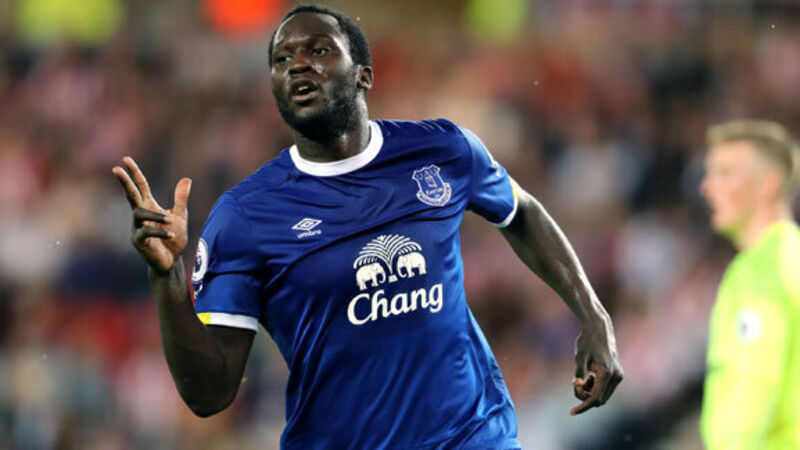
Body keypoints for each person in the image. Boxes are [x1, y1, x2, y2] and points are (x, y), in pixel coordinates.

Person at [112, 4, 623, 448]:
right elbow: (209, 395)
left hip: (474, 435)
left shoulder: (442, 150)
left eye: (318, 50)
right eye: (282, 59)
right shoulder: (244, 216)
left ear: (364, 75)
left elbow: (521, 211)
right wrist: (167, 277)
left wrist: (593, 316)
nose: (298, 65)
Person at [699, 119, 800, 449]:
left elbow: (755, 383)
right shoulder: (791, 254)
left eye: (725, 174)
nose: (707, 187)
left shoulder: (761, 270)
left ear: (768, 185)